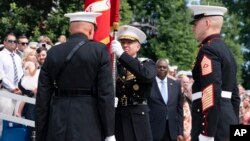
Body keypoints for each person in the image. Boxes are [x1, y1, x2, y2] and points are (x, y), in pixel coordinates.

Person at [35, 12, 115, 141]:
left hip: (57, 122)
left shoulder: (53, 52)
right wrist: (109, 132)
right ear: (90, 30)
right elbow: (105, 94)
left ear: (70, 30)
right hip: (88, 123)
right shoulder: (99, 50)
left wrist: (40, 132)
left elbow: (42, 97)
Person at [188, 5, 240, 141]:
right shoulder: (227, 51)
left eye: (196, 23)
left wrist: (207, 133)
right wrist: (235, 126)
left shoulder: (209, 50)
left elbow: (210, 91)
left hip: (213, 128)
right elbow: (235, 96)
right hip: (227, 121)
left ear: (207, 23)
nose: (193, 27)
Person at [111, 25, 156, 141]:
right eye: (122, 42)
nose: (125, 45)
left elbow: (147, 76)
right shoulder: (113, 66)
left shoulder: (146, 63)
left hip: (137, 114)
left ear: (138, 46)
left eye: (129, 42)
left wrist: (122, 55)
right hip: (118, 114)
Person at [147, 58, 183, 141]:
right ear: (155, 68)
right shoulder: (148, 84)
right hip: (153, 129)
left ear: (168, 69)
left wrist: (180, 131)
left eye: (164, 67)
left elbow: (179, 109)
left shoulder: (176, 84)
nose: (162, 69)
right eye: (159, 67)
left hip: (172, 130)